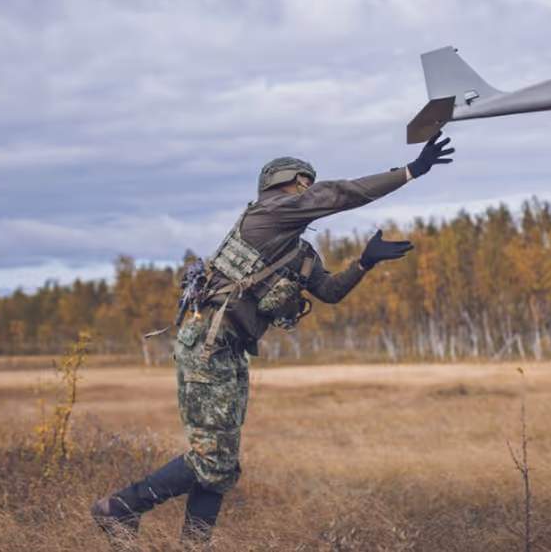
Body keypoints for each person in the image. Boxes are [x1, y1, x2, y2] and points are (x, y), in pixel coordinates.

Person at [92, 132, 456, 546]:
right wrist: (409, 172)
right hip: (208, 345)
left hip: (230, 352)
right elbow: (340, 194)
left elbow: (330, 291)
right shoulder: (266, 215)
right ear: (281, 184)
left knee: (222, 465)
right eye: (304, 182)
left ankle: (194, 545)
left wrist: (364, 263)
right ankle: (119, 508)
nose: (309, 191)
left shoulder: (299, 252)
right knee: (213, 459)